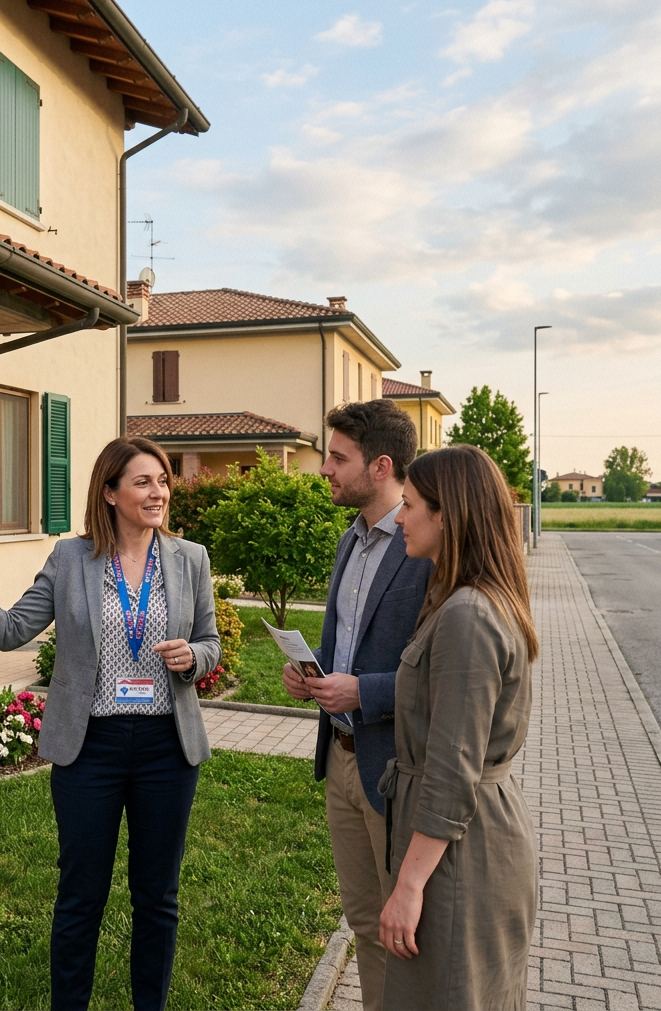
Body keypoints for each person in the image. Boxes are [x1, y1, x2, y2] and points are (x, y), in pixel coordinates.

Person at [0, 436, 221, 1011]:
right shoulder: (71, 559)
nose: (158, 492)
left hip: (168, 746)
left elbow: (210, 641)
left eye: (162, 480)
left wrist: (195, 657)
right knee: (80, 896)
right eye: (143, 482)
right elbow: (13, 628)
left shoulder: (190, 559)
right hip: (91, 746)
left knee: (158, 897)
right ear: (110, 492)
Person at [282, 400, 432, 1011]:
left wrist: (363, 692)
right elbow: (343, 638)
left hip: (394, 768)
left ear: (381, 466)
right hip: (340, 761)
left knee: (407, 934)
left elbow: (447, 675)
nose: (324, 469)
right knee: (365, 924)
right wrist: (311, 676)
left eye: (337, 457)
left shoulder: (425, 544)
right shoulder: (350, 540)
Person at [378, 444, 538, 1011]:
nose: (399, 518)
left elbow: (451, 770)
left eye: (411, 504)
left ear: (448, 514)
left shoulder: (468, 614)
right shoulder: (462, 601)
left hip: (460, 855)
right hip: (461, 842)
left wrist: (409, 885)